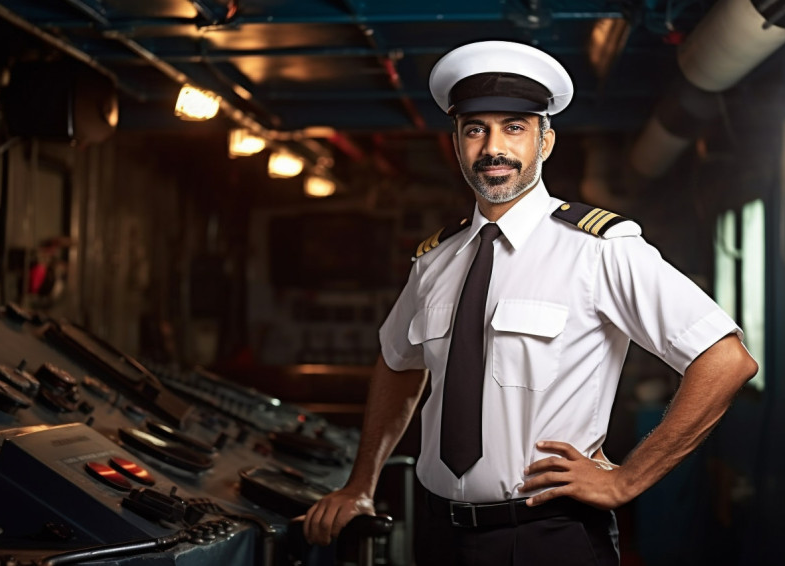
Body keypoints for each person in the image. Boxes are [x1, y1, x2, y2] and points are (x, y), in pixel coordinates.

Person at [303, 40, 758, 565]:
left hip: (550, 535)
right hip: (437, 534)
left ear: (545, 141)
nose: (493, 147)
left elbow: (725, 359)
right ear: (456, 143)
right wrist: (362, 482)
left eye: (514, 127)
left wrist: (626, 481)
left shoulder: (598, 249)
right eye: (476, 129)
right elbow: (396, 362)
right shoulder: (434, 262)